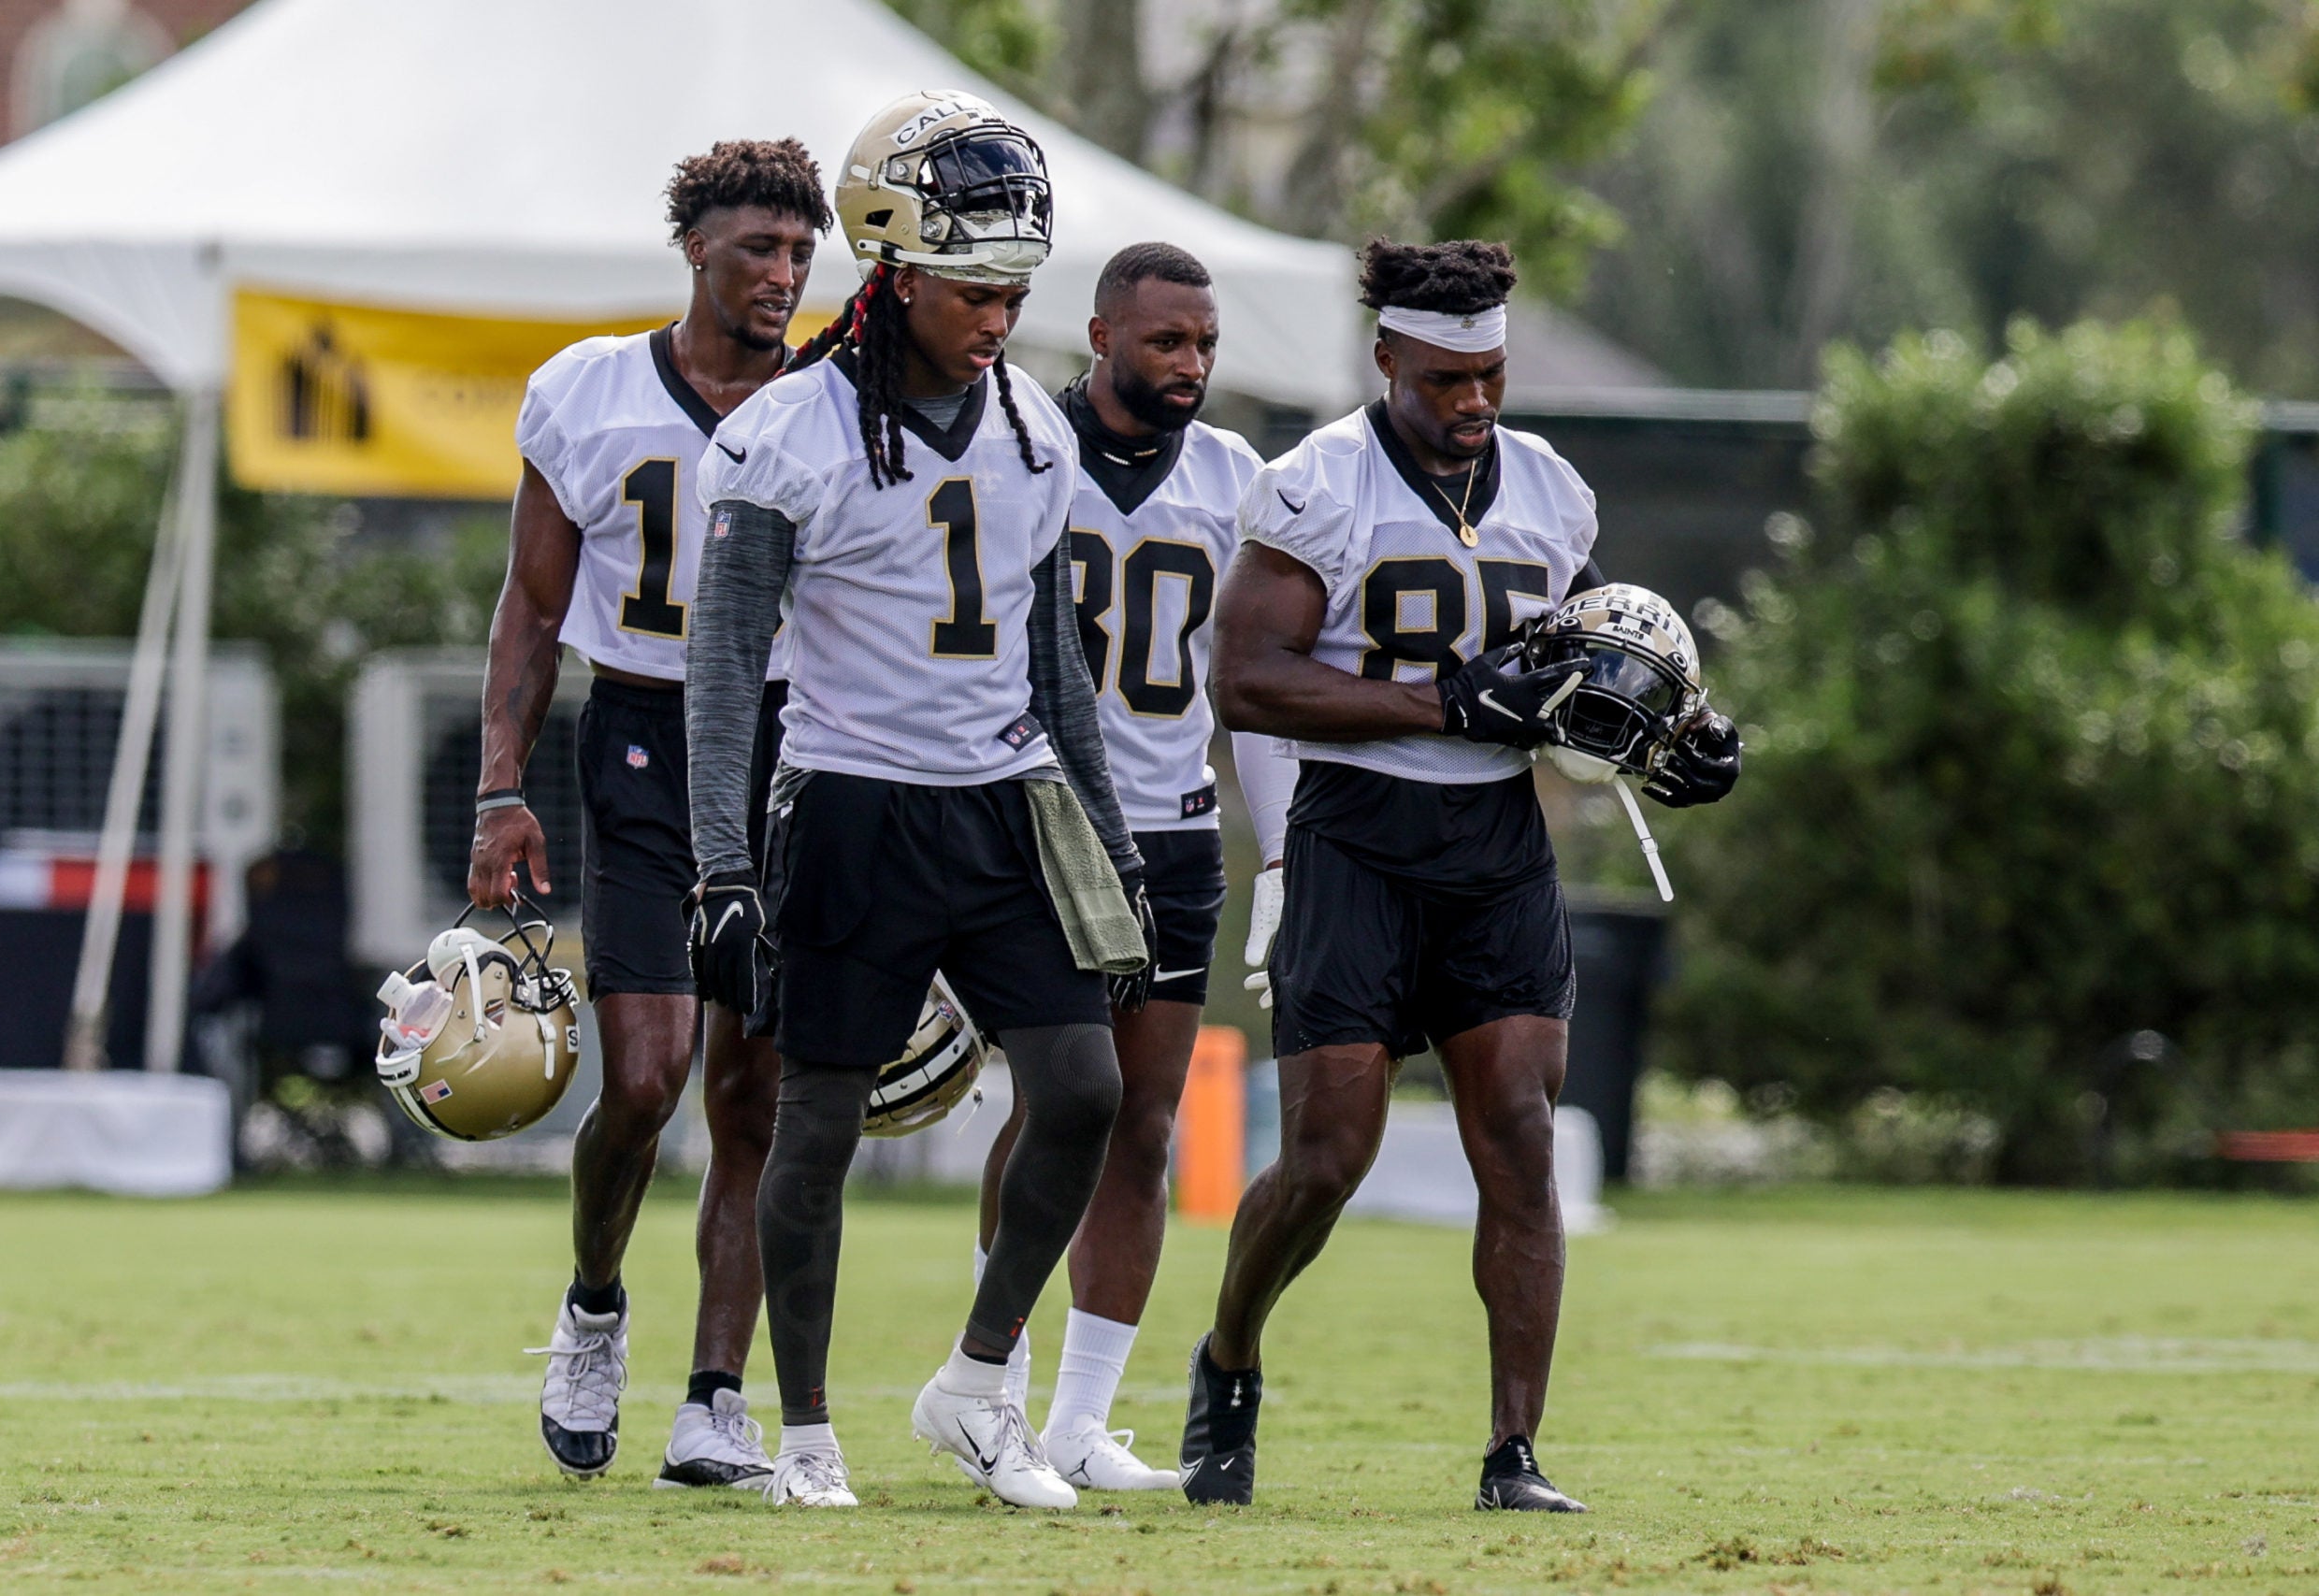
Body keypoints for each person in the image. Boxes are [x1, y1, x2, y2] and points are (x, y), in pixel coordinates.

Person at [1181, 237, 1742, 1512]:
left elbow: (1590, 644)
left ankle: (1513, 1453)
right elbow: (1248, 680)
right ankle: (1229, 1357)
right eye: (1444, 380)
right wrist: (1441, 700)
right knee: (1328, 1153)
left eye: (1487, 374)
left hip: (1495, 850)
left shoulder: (1546, 487)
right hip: (1358, 837)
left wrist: (1682, 731)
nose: (1473, 401)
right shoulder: (1316, 484)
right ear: (1387, 360)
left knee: (1521, 1136)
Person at [684, 91, 1153, 1512]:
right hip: (851, 810)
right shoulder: (789, 434)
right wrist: (722, 866)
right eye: (969, 288)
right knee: (814, 1121)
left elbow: (1056, 658)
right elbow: (719, 673)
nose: (997, 316)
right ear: (891, 273)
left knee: (1084, 1089)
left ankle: (973, 1383)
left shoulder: (1036, 434)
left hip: (1003, 800)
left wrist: (1113, 834)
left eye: (1013, 289)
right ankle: (809, 1432)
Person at [468, 138, 832, 1490]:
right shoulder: (592, 390)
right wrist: (503, 785)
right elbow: (533, 608)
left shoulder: (835, 401)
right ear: (695, 249)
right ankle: (595, 1307)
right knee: (643, 1078)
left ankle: (715, 1401)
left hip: (800, 742)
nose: (781, 277)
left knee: (756, 1093)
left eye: (799, 255)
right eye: (758, 250)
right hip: (642, 735)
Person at [972, 242, 1296, 1491]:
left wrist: (1275, 855)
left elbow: (1252, 691)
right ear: (1101, 334)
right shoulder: (1015, 451)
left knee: (1146, 1121)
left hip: (1172, 826)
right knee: (1060, 1102)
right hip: (1041, 821)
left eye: (1205, 344)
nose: (1191, 365)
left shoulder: (1235, 480)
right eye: (1166, 341)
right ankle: (984, 1388)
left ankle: (1078, 1421)